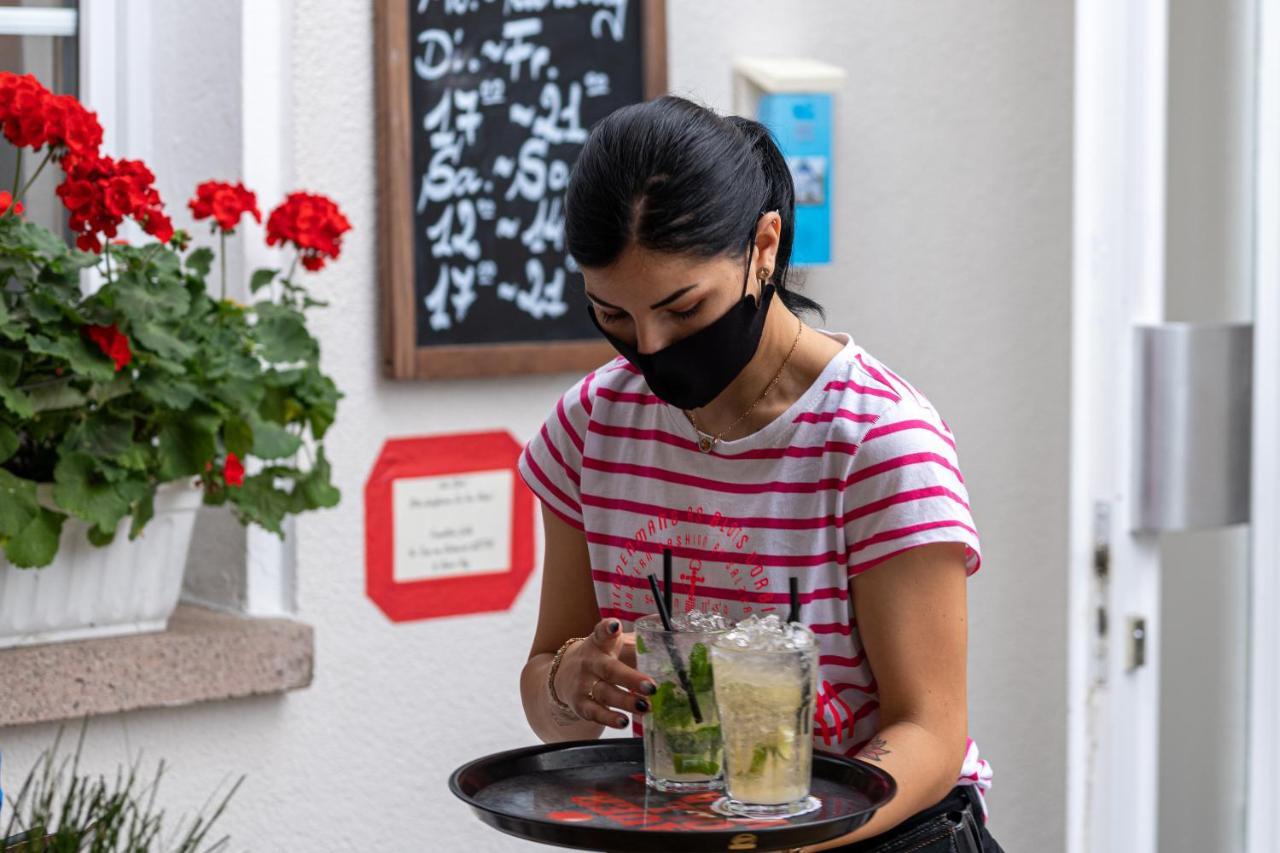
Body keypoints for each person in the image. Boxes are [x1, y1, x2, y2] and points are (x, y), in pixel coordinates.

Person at [517, 95, 1005, 852]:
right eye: (612, 315)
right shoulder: (589, 428)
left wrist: (779, 833)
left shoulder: (878, 440)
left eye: (683, 308)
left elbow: (931, 733)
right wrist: (568, 683)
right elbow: (549, 698)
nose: (649, 347)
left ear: (764, 245)